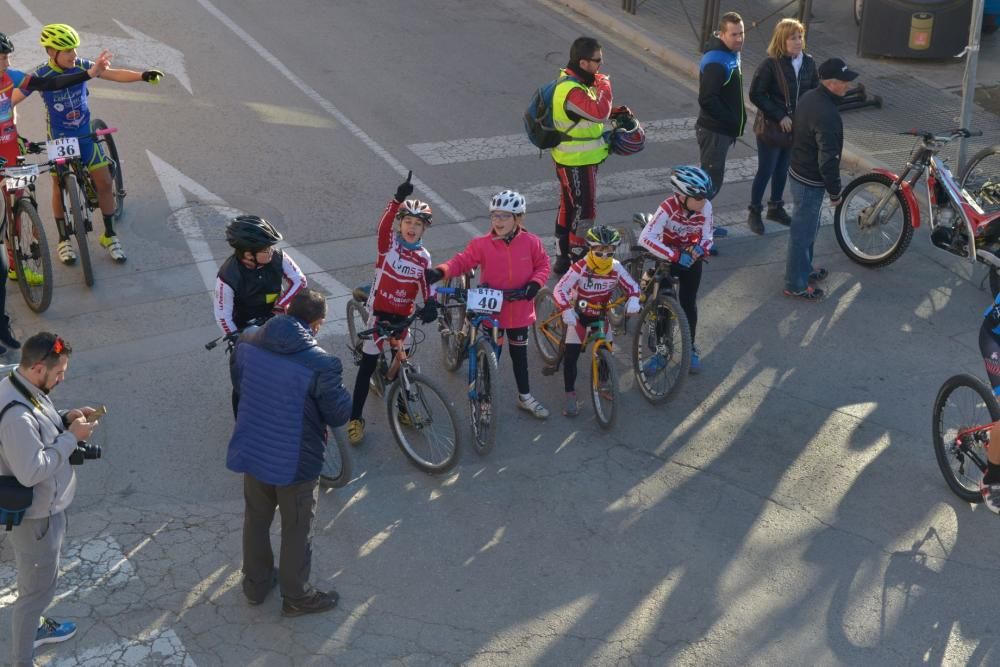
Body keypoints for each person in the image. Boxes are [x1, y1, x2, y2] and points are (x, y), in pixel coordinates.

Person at [227, 288, 351, 616]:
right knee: (297, 527)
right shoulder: (321, 363)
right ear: (317, 324)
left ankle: (255, 584)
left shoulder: (249, 339)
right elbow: (338, 414)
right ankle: (296, 595)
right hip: (295, 460)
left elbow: (239, 383)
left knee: (256, 518)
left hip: (253, 447)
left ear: (286, 311)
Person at [12, 23, 164, 264]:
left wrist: (143, 76)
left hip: (84, 135)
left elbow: (114, 74)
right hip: (60, 138)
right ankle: (64, 239)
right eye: (67, 51)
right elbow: (12, 100)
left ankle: (110, 235)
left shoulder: (82, 65)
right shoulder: (41, 75)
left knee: (104, 182)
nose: (73, 55)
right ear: (51, 52)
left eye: (74, 49)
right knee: (57, 185)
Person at [0, 34, 110, 353]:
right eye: (1, 59)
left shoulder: (12, 77)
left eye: (7, 59)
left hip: (8, 145)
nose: (7, 65)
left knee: (20, 196)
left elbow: (51, 85)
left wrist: (88, 74)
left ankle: (13, 261)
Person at [0, 332, 99, 666]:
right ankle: (21, 660)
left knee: (36, 585)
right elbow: (31, 471)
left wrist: (64, 418)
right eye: (58, 374)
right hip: (37, 520)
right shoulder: (16, 416)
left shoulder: (20, 385)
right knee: (34, 595)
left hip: (44, 512)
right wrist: (71, 438)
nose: (61, 379)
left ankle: (38, 628)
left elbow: (39, 431)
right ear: (39, 368)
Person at [426, 190, 552, 418]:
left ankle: (525, 397)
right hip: (492, 310)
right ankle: (484, 401)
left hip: (520, 310)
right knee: (490, 355)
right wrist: (440, 271)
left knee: (520, 357)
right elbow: (462, 261)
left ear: (518, 219)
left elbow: (543, 264)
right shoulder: (482, 244)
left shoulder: (531, 242)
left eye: (505, 216)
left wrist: (535, 284)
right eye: (494, 216)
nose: (498, 221)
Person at [346, 176, 438, 446]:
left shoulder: (424, 257)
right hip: (379, 314)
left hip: (403, 319)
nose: (412, 227)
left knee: (402, 365)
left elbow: (426, 284)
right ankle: (355, 419)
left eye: (418, 224)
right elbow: (383, 225)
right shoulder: (389, 246)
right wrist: (397, 199)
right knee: (367, 366)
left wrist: (430, 302)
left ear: (423, 230)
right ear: (401, 224)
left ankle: (402, 409)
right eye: (408, 222)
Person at [784, 57, 857, 301]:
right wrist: (835, 192)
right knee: (803, 232)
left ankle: (805, 269)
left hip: (798, 171)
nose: (848, 86)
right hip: (809, 180)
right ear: (831, 83)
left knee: (808, 227)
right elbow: (828, 159)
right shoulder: (827, 115)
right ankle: (795, 284)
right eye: (844, 82)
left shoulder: (809, 98)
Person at [552, 225, 640, 416]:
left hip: (600, 316)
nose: (604, 257)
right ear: (591, 249)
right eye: (599, 252)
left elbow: (633, 286)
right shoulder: (580, 267)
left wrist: (633, 299)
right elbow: (559, 289)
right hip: (578, 317)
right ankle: (570, 394)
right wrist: (566, 310)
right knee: (571, 356)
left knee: (606, 351)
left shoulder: (616, 267)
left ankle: (603, 383)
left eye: (609, 252)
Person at [638, 166, 715, 374]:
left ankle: (690, 348)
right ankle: (662, 352)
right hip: (668, 258)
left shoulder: (705, 207)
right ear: (681, 196)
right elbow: (645, 238)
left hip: (691, 258)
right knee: (663, 306)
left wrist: (701, 248)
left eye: (705, 197)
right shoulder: (667, 208)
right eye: (698, 198)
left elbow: (708, 236)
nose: (704, 202)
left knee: (689, 303)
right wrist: (673, 255)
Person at [746, 18, 818, 234]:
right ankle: (755, 211)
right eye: (792, 38)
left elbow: (813, 93)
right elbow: (756, 94)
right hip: (772, 128)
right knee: (766, 169)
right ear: (782, 40)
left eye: (800, 37)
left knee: (782, 170)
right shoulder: (770, 64)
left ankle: (775, 208)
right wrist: (780, 116)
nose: (798, 41)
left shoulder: (809, 63)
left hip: (795, 128)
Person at [550, 36, 613, 276]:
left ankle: (562, 258)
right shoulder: (570, 88)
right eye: (597, 61)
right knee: (584, 211)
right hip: (576, 160)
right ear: (583, 62)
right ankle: (577, 262)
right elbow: (598, 112)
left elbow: (585, 116)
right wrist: (606, 86)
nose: (600, 66)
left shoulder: (577, 81)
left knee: (568, 207)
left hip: (575, 158)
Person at [214, 215, 307, 335]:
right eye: (265, 249)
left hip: (277, 319)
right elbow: (223, 318)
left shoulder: (278, 256)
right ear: (248, 255)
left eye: (271, 247)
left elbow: (300, 281)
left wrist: (280, 306)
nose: (271, 251)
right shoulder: (228, 277)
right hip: (248, 328)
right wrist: (237, 338)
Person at [697, 11, 746, 201]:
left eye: (741, 33)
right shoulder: (717, 61)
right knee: (710, 182)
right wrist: (730, 120)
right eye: (734, 34)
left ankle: (700, 222)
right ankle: (699, 225)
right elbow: (707, 99)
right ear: (722, 34)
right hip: (715, 131)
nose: (739, 38)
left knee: (710, 179)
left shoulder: (730, 53)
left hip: (719, 130)